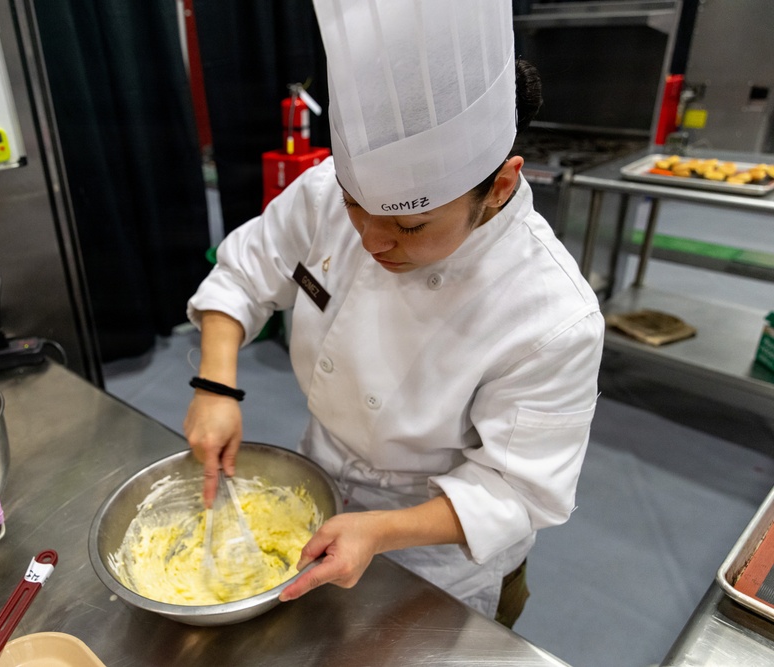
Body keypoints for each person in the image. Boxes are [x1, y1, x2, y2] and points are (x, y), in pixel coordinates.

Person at [183, 0, 603, 627]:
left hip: (439, 555)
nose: (372, 241)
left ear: (499, 188)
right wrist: (215, 384)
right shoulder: (327, 190)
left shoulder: (552, 314)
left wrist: (381, 530)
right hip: (319, 485)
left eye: (410, 225)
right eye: (355, 206)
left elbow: (519, 489)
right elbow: (246, 271)